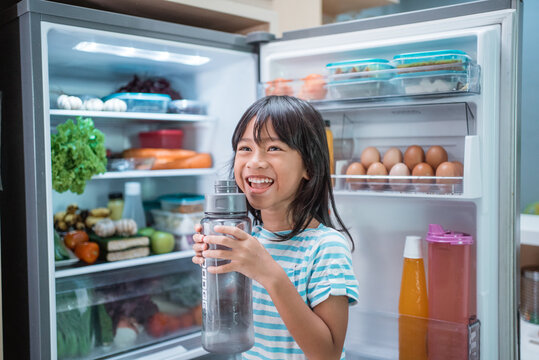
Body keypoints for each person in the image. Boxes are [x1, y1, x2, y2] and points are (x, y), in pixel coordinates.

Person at [192, 95, 359, 360]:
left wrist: (268, 272)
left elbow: (327, 354)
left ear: (310, 167)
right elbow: (234, 319)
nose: (254, 161)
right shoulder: (251, 238)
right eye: (245, 148)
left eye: (274, 148)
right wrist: (216, 272)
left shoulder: (325, 248)